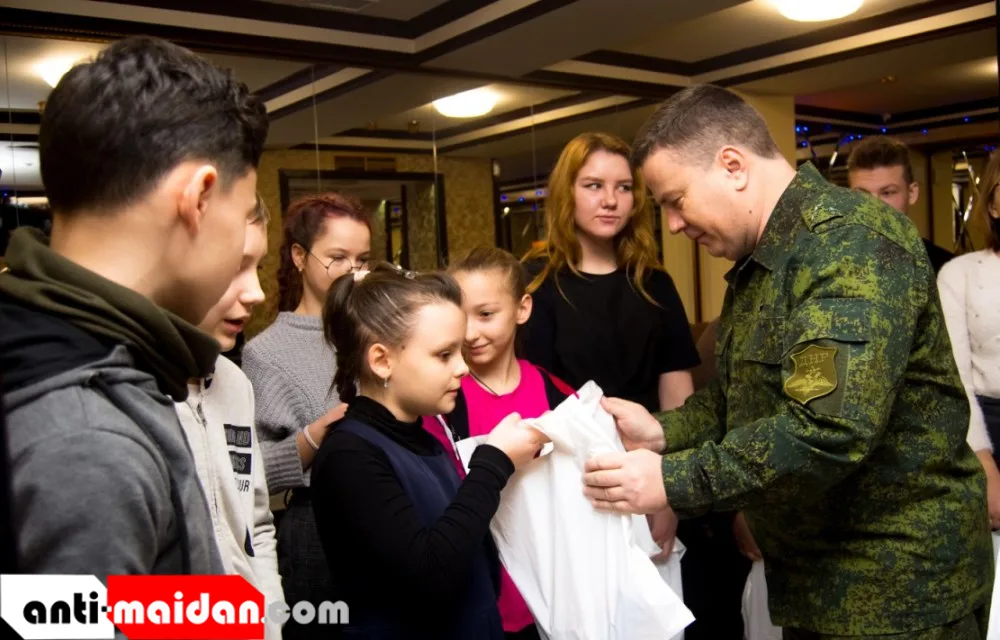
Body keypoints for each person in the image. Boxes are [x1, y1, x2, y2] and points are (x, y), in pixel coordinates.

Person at [582, 84, 993, 639]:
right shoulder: (765, 257)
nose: (673, 224)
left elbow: (825, 430)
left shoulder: (848, 244)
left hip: (897, 592)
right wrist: (660, 432)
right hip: (819, 585)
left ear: (733, 166)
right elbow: (740, 398)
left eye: (676, 200)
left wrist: (672, 481)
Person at [0, 36, 268, 576]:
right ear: (199, 197)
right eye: (243, 217)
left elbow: (142, 609)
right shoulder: (89, 442)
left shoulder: (70, 354)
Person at [519, 132, 740, 638]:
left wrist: (668, 494)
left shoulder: (653, 281)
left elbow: (677, 395)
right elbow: (531, 400)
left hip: (651, 466)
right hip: (570, 482)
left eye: (623, 187)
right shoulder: (535, 283)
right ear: (566, 192)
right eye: (594, 185)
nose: (610, 200)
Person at [311, 264, 547, 639]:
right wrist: (494, 462)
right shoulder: (350, 457)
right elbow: (431, 575)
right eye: (444, 354)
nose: (463, 367)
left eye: (460, 352)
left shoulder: (424, 438)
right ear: (382, 361)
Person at [424, 246, 574, 640]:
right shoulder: (443, 403)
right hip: (483, 598)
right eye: (461, 317)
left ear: (522, 309)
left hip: (556, 596)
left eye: (486, 314)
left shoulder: (556, 395)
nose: (470, 333)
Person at [242, 193, 371, 639]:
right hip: (319, 529)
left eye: (362, 259)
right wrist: (314, 436)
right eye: (338, 258)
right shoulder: (265, 353)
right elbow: (251, 470)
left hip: (389, 511)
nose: (352, 271)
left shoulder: (378, 331)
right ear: (300, 256)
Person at [175, 198, 284, 638]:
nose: (256, 292)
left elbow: (256, 522)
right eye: (235, 267)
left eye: (257, 267)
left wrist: (270, 624)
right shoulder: (129, 395)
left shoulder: (236, 384)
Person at [938, 150, 1000, 532]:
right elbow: (954, 378)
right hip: (985, 429)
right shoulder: (958, 274)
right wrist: (985, 463)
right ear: (992, 203)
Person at [847, 136, 953, 272]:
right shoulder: (827, 265)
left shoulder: (947, 269)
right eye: (862, 194)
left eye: (887, 193)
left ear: (912, 193)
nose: (874, 206)